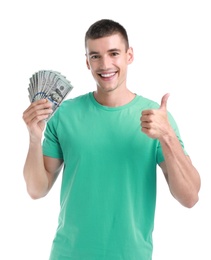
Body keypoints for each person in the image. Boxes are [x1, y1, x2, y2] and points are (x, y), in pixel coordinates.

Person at [22, 19, 201, 260]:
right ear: (87, 61)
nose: (105, 64)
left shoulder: (156, 118)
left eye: (113, 53)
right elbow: (37, 189)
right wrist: (34, 138)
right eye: (95, 56)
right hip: (69, 254)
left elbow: (190, 197)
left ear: (129, 55)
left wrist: (167, 136)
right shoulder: (64, 115)